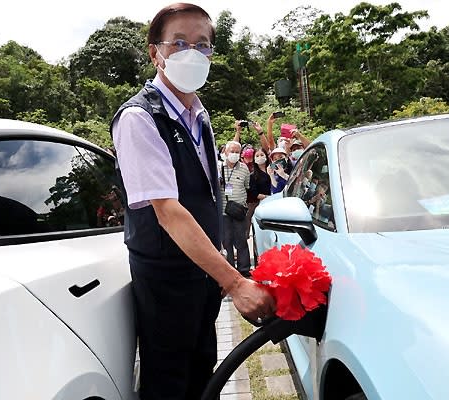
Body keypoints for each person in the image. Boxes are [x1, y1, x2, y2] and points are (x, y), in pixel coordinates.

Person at [109, 4, 275, 399]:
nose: (192, 53)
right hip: (166, 280)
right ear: (155, 53)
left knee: (204, 375)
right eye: (179, 42)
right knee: (170, 384)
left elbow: (203, 198)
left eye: (202, 45)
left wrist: (214, 267)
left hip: (200, 275)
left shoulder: (199, 115)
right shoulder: (140, 118)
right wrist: (234, 281)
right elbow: (167, 211)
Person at [221, 140, 251, 277]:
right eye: (231, 151)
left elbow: (247, 185)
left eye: (237, 152)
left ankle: (244, 269)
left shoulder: (244, 168)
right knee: (226, 241)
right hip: (223, 210)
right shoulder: (218, 168)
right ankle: (230, 269)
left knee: (241, 241)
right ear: (225, 152)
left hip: (239, 210)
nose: (234, 154)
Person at [246, 148, 272, 236]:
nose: (260, 157)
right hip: (259, 203)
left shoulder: (273, 169)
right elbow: (253, 193)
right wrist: (267, 197)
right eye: (257, 156)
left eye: (262, 155)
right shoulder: (253, 175)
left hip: (276, 201)